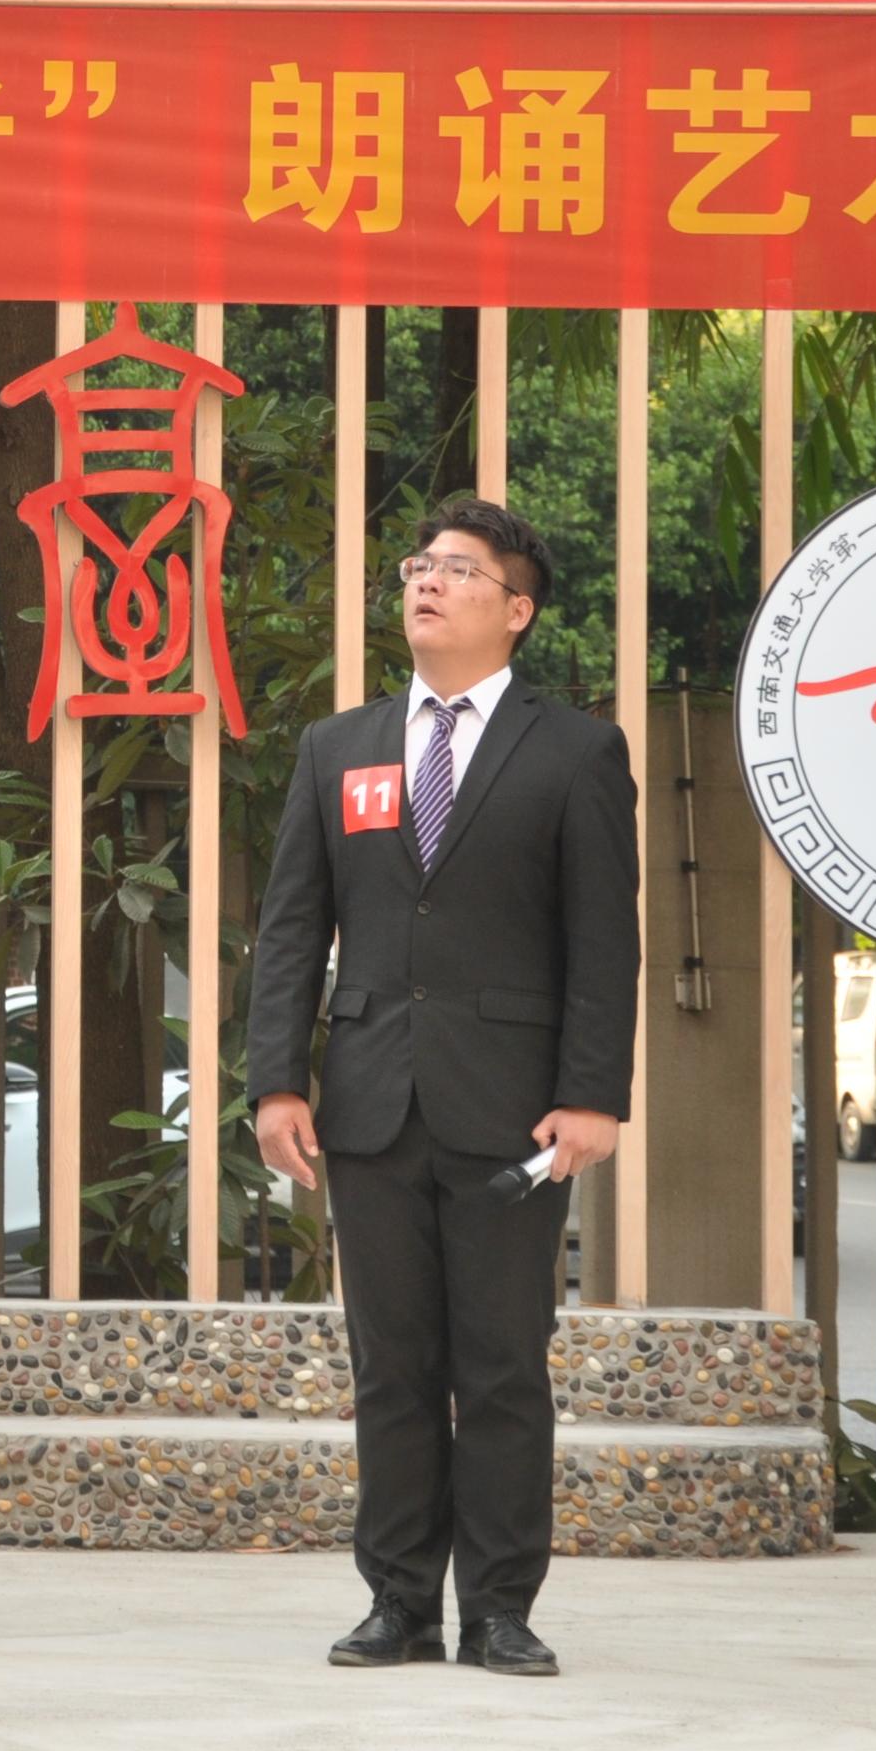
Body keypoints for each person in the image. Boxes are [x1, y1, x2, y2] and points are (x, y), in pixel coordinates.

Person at [243, 494, 639, 1680]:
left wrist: (592, 1094)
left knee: (503, 1367)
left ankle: (501, 1607)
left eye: (458, 569)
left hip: (514, 1110)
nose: (425, 580)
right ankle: (398, 1600)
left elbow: (602, 941)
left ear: (515, 609)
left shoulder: (574, 752)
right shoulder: (339, 747)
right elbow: (291, 927)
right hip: (369, 1103)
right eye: (420, 563)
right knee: (392, 1366)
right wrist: (277, 1081)